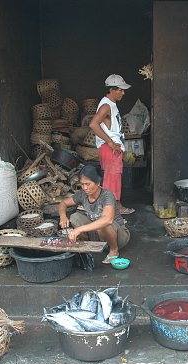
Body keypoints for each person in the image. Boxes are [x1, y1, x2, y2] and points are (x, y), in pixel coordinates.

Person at [57, 165, 130, 264]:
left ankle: (114, 250)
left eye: (88, 184)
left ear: (98, 183)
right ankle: (88, 245)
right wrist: (63, 216)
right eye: (82, 184)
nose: (85, 188)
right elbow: (63, 203)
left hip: (118, 237)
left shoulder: (107, 195)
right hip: (97, 234)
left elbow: (107, 220)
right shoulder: (82, 194)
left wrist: (79, 229)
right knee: (75, 217)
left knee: (104, 224)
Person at [89, 73, 135, 215]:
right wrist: (110, 142)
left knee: (113, 178)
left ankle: (111, 208)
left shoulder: (111, 104)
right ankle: (114, 209)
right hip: (110, 149)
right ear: (111, 90)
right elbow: (93, 124)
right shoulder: (106, 106)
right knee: (112, 179)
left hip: (113, 148)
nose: (123, 92)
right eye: (120, 89)